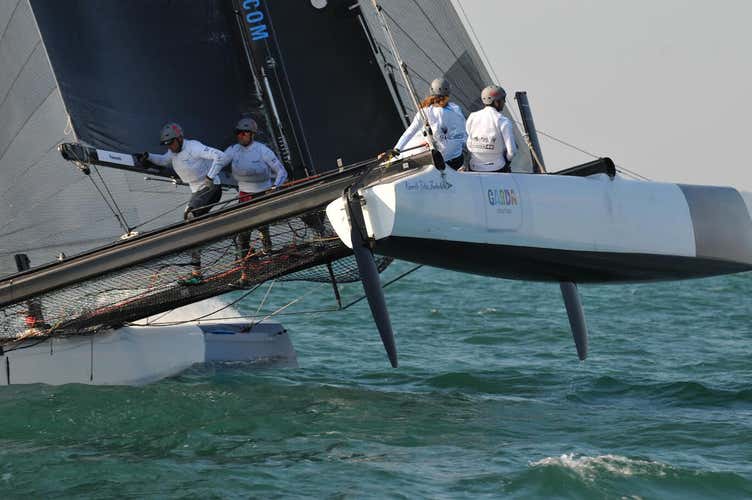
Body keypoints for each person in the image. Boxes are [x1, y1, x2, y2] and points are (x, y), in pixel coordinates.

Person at [141, 122, 225, 284]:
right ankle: (196, 272)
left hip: (211, 188)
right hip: (197, 191)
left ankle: (197, 272)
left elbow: (220, 155)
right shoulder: (172, 152)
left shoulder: (194, 147)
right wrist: (148, 156)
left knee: (190, 217)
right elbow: (163, 161)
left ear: (179, 138)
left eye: (171, 143)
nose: (170, 147)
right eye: (167, 144)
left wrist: (210, 176)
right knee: (189, 224)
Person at [206, 117, 288, 282]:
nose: (240, 136)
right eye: (238, 133)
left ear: (252, 134)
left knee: (262, 226)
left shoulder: (262, 150)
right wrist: (210, 176)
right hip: (244, 195)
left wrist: (275, 187)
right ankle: (244, 273)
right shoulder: (233, 150)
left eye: (244, 133)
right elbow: (220, 161)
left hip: (263, 193)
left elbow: (282, 172)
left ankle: (268, 249)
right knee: (243, 234)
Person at [380, 77, 466, 170]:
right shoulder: (456, 109)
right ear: (449, 92)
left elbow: (410, 132)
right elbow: (462, 133)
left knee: (421, 142)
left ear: (431, 91)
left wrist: (396, 149)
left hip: (439, 160)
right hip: (457, 161)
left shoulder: (425, 112)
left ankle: (390, 162)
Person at [465, 85, 517, 172]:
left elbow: (468, 136)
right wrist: (507, 161)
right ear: (496, 102)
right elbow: (512, 152)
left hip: (474, 167)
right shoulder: (503, 121)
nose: (504, 102)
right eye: (503, 99)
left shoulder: (472, 117)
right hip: (497, 168)